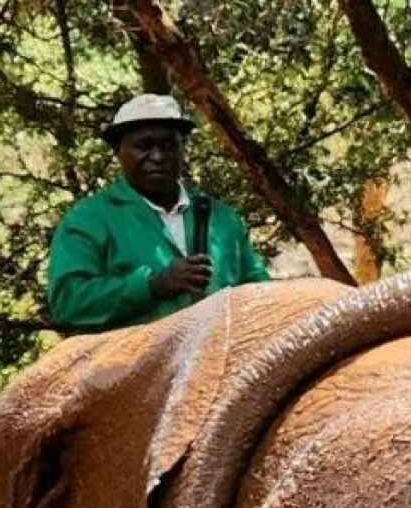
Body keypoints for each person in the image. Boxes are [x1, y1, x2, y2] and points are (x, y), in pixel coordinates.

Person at [46, 94, 268, 333]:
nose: (158, 157)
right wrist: (154, 286)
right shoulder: (89, 219)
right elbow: (67, 304)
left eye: (169, 145)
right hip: (134, 367)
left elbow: (261, 292)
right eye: (143, 146)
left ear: (183, 149)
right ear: (118, 150)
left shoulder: (222, 218)